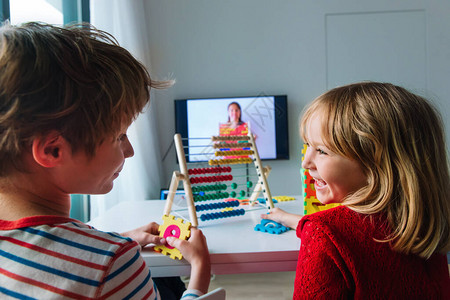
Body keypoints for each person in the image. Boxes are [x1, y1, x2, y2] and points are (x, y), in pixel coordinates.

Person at [0, 22, 210, 299]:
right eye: (119, 136)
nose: (131, 150)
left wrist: (103, 245)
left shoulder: (106, 260)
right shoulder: (113, 264)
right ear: (53, 151)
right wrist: (199, 272)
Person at [262, 82, 450, 299]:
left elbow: (335, 236)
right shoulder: (426, 222)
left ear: (376, 164)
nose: (306, 162)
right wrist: (289, 219)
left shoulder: (324, 233)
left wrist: (315, 228)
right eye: (307, 146)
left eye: (321, 151)